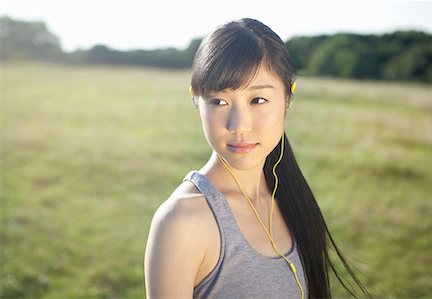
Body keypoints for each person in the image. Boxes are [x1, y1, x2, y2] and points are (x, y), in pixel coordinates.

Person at [144, 18, 370, 298]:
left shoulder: (290, 198)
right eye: (219, 101)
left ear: (288, 98)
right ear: (197, 101)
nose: (240, 125)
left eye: (257, 100)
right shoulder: (182, 221)